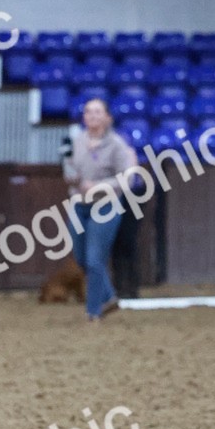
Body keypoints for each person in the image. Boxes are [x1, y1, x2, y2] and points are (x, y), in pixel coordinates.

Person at [62, 98, 138, 321]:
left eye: (97, 112)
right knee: (81, 257)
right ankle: (109, 297)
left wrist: (99, 186)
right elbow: (68, 169)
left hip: (106, 206)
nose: (92, 116)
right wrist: (72, 178)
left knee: (95, 259)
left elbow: (127, 179)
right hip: (79, 204)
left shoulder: (117, 145)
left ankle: (93, 311)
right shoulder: (75, 141)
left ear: (107, 118)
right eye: (88, 111)